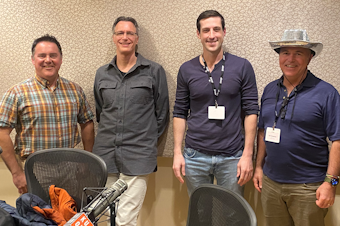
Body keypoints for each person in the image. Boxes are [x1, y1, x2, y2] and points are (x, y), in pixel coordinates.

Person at [253, 29, 340, 226]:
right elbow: (262, 131)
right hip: (271, 185)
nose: (290, 59)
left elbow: (338, 140)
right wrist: (258, 167)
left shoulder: (327, 93)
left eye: (298, 53)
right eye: (285, 52)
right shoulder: (269, 90)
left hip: (308, 188)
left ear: (310, 58)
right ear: (279, 56)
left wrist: (331, 184)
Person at [172, 10, 258, 196]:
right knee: (201, 214)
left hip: (233, 157)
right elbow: (179, 112)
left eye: (216, 29)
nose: (212, 35)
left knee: (233, 216)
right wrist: (177, 152)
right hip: (195, 156)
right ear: (198, 34)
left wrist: (248, 154)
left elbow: (252, 111)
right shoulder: (187, 69)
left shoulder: (242, 66)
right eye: (206, 30)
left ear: (224, 32)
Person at [93, 16, 169, 226]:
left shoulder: (154, 71)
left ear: (136, 38)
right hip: (106, 156)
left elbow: (162, 114)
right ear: (114, 37)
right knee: (106, 218)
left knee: (125, 221)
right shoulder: (102, 73)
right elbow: (101, 112)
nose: (125, 37)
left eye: (130, 33)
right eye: (120, 33)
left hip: (138, 157)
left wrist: (146, 142)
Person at [0, 34, 95, 195]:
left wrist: (87, 159)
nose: (48, 60)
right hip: (35, 168)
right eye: (42, 56)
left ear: (61, 59)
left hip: (71, 168)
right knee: (38, 218)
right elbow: (2, 133)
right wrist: (17, 173)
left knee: (70, 216)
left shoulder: (75, 90)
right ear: (33, 59)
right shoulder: (17, 93)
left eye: (53, 55)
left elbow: (87, 123)